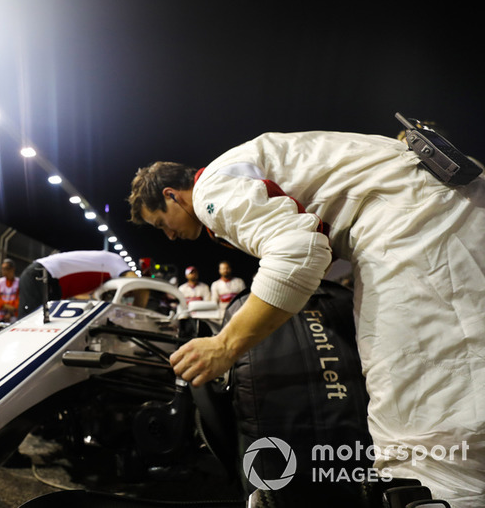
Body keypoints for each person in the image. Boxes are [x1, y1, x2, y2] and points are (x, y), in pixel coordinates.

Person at [128, 130, 485, 506]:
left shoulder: (210, 190)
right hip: (446, 205)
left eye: (160, 223)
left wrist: (225, 345)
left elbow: (297, 253)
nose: (167, 235)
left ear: (171, 194)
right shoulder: (247, 161)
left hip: (417, 224)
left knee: (422, 428)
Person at [18, 250, 146, 317]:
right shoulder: (117, 262)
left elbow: (86, 298)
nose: (128, 294)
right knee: (29, 325)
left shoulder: (102, 278)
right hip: (41, 274)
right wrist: (137, 314)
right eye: (129, 294)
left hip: (49, 278)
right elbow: (140, 286)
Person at [0, 258, 19, 323]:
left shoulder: (18, 282)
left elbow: (18, 300)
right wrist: (7, 306)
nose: (3, 271)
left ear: (12, 269)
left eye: (6, 269)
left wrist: (10, 312)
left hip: (13, 316)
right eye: (2, 269)